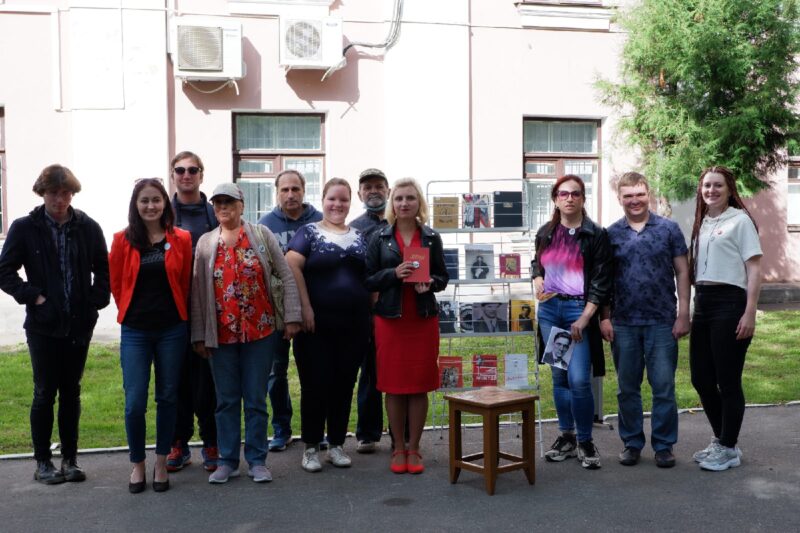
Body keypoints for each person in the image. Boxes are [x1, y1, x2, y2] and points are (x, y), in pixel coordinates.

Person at [0, 164, 110, 485]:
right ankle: (43, 462)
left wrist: (94, 301)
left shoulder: (87, 227)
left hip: (78, 324)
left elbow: (103, 269)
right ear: (42, 193)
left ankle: (71, 460)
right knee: (44, 392)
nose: (59, 199)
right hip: (43, 326)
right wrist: (34, 297)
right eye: (53, 193)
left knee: (71, 392)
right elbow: (5, 272)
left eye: (65, 193)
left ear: (72, 194)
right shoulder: (25, 228)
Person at [192, 183, 302, 484]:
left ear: (241, 205)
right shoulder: (205, 243)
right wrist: (199, 336)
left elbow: (285, 274)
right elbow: (198, 293)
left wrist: (292, 317)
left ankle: (256, 460)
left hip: (261, 331)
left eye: (229, 202)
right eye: (218, 203)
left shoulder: (261, 235)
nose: (222, 207)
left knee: (255, 398)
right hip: (222, 335)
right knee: (226, 400)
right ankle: (227, 461)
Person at [599, 171, 690, 469]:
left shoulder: (669, 229)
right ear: (620, 198)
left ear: (648, 194)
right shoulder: (610, 235)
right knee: (627, 388)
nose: (634, 200)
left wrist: (683, 313)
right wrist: (605, 318)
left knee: (663, 387)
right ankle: (632, 443)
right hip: (623, 322)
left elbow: (682, 272)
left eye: (639, 194)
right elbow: (605, 281)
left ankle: (664, 446)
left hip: (662, 321)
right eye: (628, 195)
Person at [109, 178, 193, 493]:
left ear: (164, 204)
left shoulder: (181, 239)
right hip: (135, 331)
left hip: (172, 329)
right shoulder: (122, 240)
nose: (150, 206)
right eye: (144, 200)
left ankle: (160, 462)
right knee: (134, 402)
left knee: (168, 396)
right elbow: (117, 284)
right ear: (136, 205)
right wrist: (132, 313)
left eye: (156, 200)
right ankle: (137, 465)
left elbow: (184, 282)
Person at [286, 178, 371, 472]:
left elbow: (370, 276)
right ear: (322, 200)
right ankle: (311, 447)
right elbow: (292, 264)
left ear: (351, 203)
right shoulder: (308, 232)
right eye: (332, 199)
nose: (338, 205)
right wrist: (304, 307)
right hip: (315, 326)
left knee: (344, 384)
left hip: (354, 326)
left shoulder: (360, 236)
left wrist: (369, 310)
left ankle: (336, 444)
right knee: (315, 385)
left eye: (344, 200)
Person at [365, 177, 448, 475]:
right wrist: (393, 273)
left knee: (418, 386)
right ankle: (398, 447)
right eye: (398, 198)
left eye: (410, 198)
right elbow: (368, 278)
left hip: (422, 319)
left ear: (419, 203)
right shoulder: (379, 237)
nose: (404, 203)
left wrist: (431, 283)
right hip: (390, 321)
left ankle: (415, 448)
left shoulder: (431, 237)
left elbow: (443, 277)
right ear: (392, 203)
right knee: (394, 386)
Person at [531, 175, 611, 469]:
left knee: (579, 379)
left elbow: (602, 281)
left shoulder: (596, 235)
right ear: (555, 199)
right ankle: (566, 436)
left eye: (575, 194)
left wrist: (585, 318)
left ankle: (586, 440)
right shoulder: (546, 232)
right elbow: (536, 263)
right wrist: (537, 276)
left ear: (582, 199)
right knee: (560, 377)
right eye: (563, 194)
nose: (569, 198)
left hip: (580, 311)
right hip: (551, 310)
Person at [688, 166, 762, 472]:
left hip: (730, 304)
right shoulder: (703, 222)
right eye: (707, 185)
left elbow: (755, 269)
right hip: (703, 303)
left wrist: (749, 312)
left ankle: (728, 446)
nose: (711, 190)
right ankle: (722, 439)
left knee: (728, 380)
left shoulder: (740, 220)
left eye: (718, 185)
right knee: (701, 378)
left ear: (730, 189)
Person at [258, 169, 322, 452]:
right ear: (277, 192)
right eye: (284, 190)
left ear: (304, 190)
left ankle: (317, 430)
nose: (290, 195)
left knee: (316, 372)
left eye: (295, 189)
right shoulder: (265, 225)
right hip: (277, 310)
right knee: (276, 372)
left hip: (313, 306)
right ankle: (281, 429)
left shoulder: (319, 221)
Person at [167, 151, 220, 473]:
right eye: (180, 170)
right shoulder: (162, 212)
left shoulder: (214, 213)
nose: (186, 175)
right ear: (173, 174)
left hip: (210, 307)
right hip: (172, 309)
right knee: (174, 380)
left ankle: (211, 441)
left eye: (192, 170)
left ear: (201, 174)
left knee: (207, 383)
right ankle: (178, 443)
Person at [349, 168, 391, 454]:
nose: (373, 191)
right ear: (360, 193)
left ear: (387, 190)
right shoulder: (353, 228)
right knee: (370, 373)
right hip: (365, 311)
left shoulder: (401, 222)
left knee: (399, 369)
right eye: (367, 187)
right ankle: (368, 433)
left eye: (378, 186)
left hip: (398, 308)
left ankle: (403, 433)